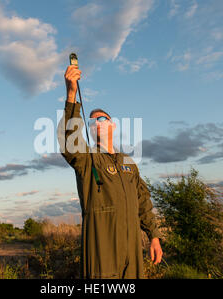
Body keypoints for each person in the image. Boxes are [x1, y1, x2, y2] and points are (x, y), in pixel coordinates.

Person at [58, 64, 163, 279]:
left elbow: (143, 201)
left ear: (113, 125)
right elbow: (70, 144)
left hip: (132, 253)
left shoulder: (128, 163)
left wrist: (153, 236)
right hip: (101, 253)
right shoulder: (87, 160)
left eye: (102, 118)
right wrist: (71, 94)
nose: (98, 122)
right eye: (93, 121)